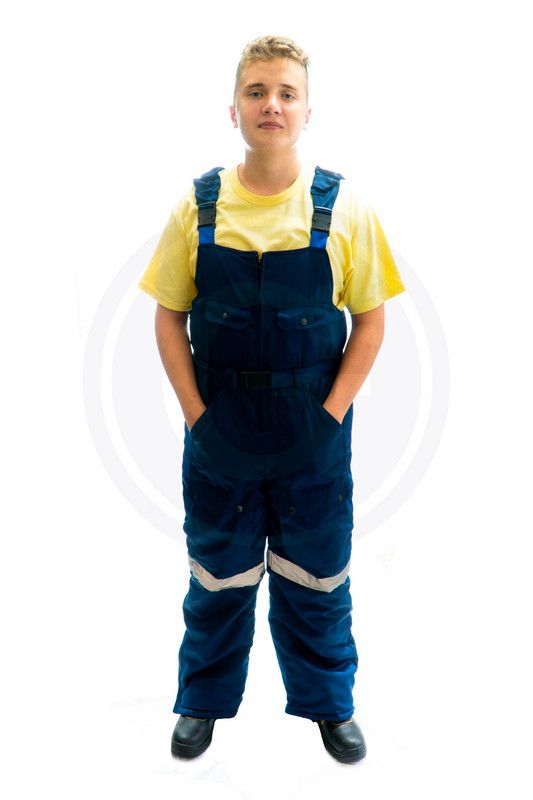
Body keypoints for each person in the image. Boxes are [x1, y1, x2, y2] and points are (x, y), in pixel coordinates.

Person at [138, 34, 405, 764]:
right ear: (233, 109)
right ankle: (201, 703)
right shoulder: (197, 208)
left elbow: (372, 320)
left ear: (307, 110)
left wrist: (330, 417)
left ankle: (330, 706)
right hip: (219, 429)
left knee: (318, 575)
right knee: (216, 575)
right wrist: (197, 418)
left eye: (287, 93)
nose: (271, 105)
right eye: (256, 92)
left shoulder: (344, 209)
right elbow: (167, 316)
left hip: (312, 434)